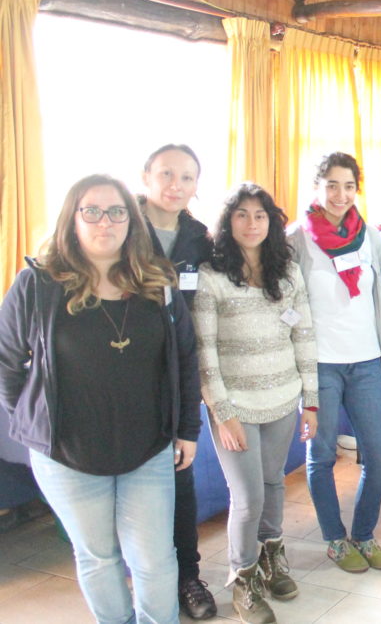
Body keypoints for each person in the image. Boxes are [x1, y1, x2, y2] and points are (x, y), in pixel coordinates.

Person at [0, 174, 200, 624]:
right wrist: (35, 419)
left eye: (116, 211)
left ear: (132, 220)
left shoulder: (158, 284)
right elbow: (6, 364)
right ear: (72, 219)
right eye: (91, 211)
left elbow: (186, 358)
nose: (104, 221)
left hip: (147, 448)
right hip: (67, 456)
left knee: (155, 559)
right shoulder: (37, 285)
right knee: (98, 557)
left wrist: (188, 429)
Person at [193, 183, 318, 623]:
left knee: (272, 483)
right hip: (236, 407)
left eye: (260, 215)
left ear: (271, 222)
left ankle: (272, 555)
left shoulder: (288, 271)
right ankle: (243, 578)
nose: (251, 223)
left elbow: (304, 336)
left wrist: (311, 400)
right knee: (247, 498)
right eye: (241, 215)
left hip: (283, 398)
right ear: (228, 222)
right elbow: (204, 352)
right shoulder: (211, 275)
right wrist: (222, 412)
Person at [289, 152, 381, 573]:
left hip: (366, 361)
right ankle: (335, 539)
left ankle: (364, 534)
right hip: (319, 365)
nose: (340, 194)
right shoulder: (297, 238)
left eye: (349, 186)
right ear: (317, 187)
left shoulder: (369, 237)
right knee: (321, 457)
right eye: (331, 185)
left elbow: (376, 292)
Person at [138, 142, 217, 619]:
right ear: (146, 176)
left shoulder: (198, 239)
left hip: (177, 370)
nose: (175, 185)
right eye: (166, 174)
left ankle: (188, 577)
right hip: (126, 367)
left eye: (186, 177)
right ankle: (144, 577)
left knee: (179, 477)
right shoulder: (120, 226)